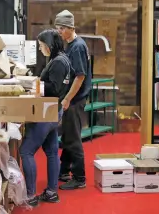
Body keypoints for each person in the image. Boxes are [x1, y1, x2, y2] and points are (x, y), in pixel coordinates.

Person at [19, 28, 73, 207]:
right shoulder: (63, 59)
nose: (40, 48)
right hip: (53, 111)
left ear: (49, 45)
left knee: (26, 151)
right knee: (51, 152)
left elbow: (54, 88)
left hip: (46, 112)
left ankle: (30, 195)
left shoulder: (57, 62)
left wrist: (34, 85)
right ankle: (51, 192)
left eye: (42, 45)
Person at [54, 10, 92, 190]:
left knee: (73, 139)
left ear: (70, 28)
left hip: (75, 99)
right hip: (73, 98)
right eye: (57, 28)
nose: (59, 31)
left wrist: (67, 99)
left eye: (61, 28)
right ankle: (64, 170)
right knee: (69, 136)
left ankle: (79, 177)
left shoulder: (77, 46)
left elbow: (80, 77)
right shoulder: (70, 44)